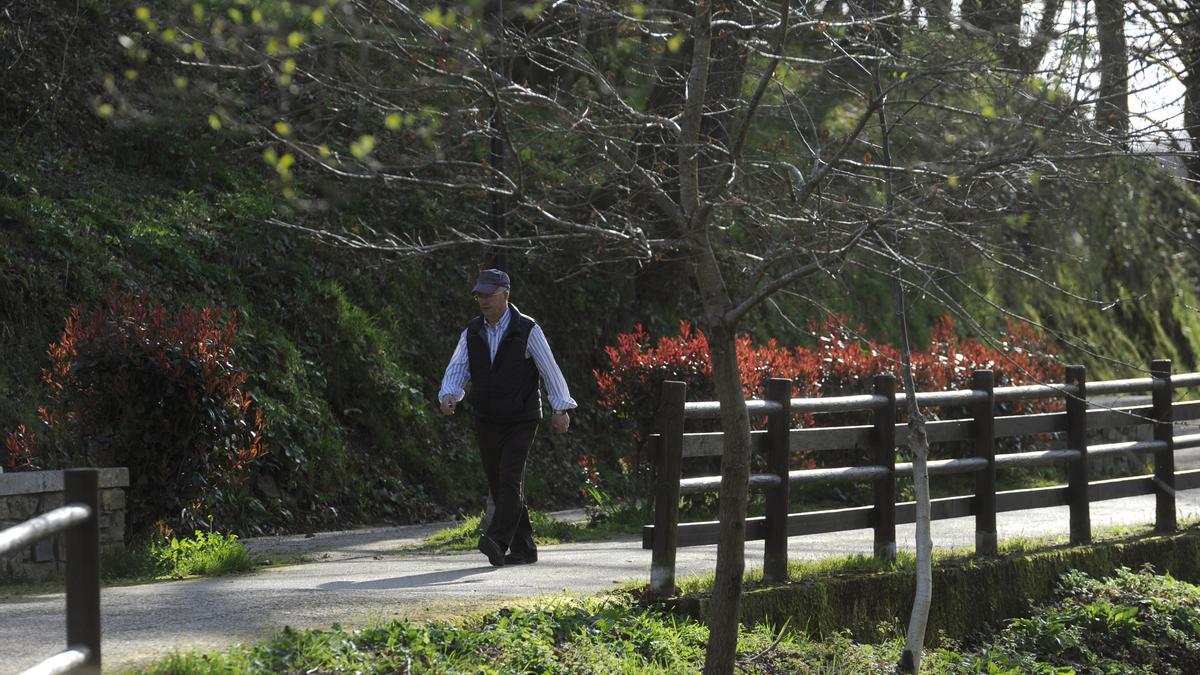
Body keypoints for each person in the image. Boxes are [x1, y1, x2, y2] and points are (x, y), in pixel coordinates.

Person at [438, 268, 576, 567]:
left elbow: (550, 369)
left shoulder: (528, 329)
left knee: (510, 478)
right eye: (479, 295)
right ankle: (525, 548)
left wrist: (560, 408)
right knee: (497, 480)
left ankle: (497, 540)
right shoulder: (472, 331)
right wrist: (449, 394)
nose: (483, 300)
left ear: (505, 294)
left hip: (521, 418)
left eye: (489, 294)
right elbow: (458, 368)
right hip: (486, 416)